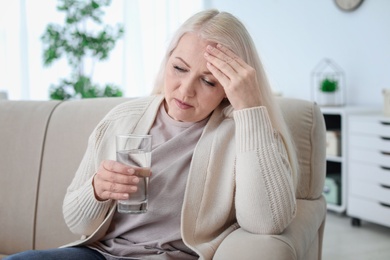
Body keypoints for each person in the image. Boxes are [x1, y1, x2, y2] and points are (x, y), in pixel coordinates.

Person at [5, 9, 298, 260]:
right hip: (100, 254)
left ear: (228, 88)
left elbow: (266, 221)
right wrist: (96, 190)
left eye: (209, 81)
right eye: (179, 68)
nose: (185, 90)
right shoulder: (123, 120)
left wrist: (250, 107)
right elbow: (76, 221)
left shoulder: (241, 133)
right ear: (166, 60)